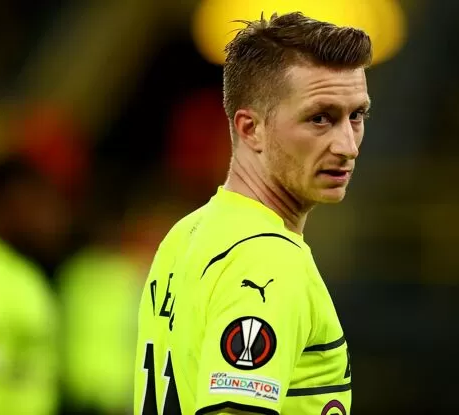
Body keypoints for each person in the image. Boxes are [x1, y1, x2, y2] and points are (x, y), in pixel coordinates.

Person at [133, 12, 371, 415]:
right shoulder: (269, 259)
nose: (348, 145)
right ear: (250, 128)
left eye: (357, 116)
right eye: (320, 118)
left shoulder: (184, 235)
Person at [0, 155, 63, 414]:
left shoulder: (25, 275)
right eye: (36, 204)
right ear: (1, 205)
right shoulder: (15, 281)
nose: (49, 219)